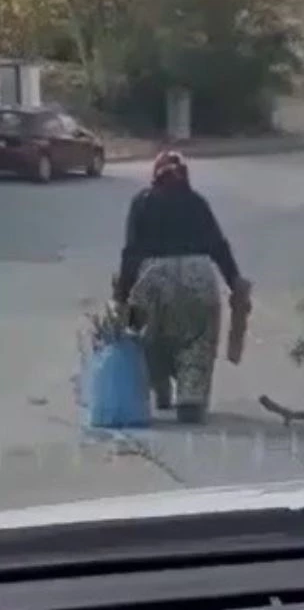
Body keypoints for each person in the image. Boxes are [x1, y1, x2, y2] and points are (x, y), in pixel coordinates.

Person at [114, 150, 245, 424]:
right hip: (197, 279)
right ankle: (190, 398)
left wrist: (122, 296)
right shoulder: (197, 203)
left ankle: (159, 387)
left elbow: (131, 252)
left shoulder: (142, 203)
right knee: (197, 340)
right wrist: (235, 282)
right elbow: (218, 247)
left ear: (154, 177)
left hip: (152, 280)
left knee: (149, 338)